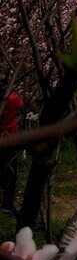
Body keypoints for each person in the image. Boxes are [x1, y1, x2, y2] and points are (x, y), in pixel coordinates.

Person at [0, 86, 23, 215]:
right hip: (10, 140)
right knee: (10, 173)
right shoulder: (12, 98)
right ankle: (7, 205)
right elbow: (20, 102)